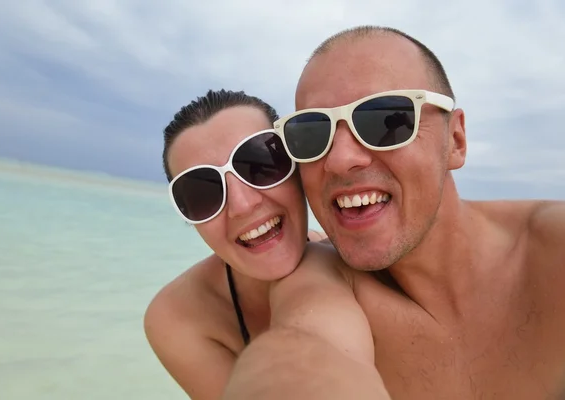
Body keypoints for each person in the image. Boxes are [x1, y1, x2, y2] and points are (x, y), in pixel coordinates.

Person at [222, 26, 565, 399]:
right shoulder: (321, 280)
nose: (339, 160)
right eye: (310, 134)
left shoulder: (551, 253)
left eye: (386, 121)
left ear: (455, 141)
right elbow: (307, 345)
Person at [143, 89, 390, 400]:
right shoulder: (178, 317)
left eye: (260, 163)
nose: (242, 205)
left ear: (298, 168)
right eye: (202, 194)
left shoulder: (364, 257)